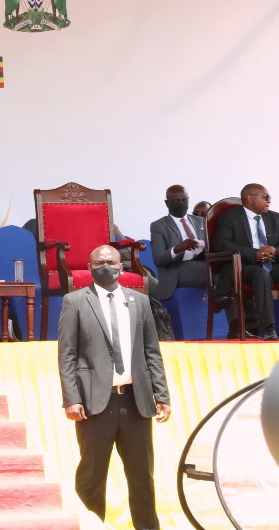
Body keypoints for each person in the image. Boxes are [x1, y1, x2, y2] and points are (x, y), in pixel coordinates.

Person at [58, 245, 171, 529]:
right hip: (95, 403)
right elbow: (67, 355)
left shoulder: (139, 301)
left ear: (121, 267)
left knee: (142, 475)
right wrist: (71, 399)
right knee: (92, 476)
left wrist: (162, 395)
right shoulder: (75, 302)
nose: (105, 266)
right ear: (89, 266)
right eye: (98, 262)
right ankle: (91, 525)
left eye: (110, 261)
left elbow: (151, 352)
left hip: (136, 400)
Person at [214, 183, 279, 341]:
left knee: (264, 273)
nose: (269, 200)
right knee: (261, 275)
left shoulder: (274, 217)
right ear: (250, 198)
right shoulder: (230, 217)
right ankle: (269, 329)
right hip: (244, 266)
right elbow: (221, 244)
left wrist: (274, 251)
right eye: (265, 197)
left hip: (272, 264)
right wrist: (254, 253)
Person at [149, 185, 208, 301]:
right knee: (220, 272)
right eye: (176, 200)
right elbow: (158, 259)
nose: (181, 203)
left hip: (204, 261)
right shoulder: (159, 226)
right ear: (167, 203)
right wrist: (178, 248)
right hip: (178, 269)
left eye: (184, 200)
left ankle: (240, 318)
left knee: (233, 268)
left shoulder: (201, 221)